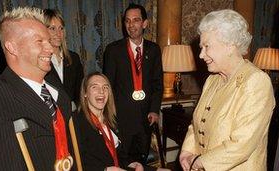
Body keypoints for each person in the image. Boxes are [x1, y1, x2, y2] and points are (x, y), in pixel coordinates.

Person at [0, 7, 75, 170]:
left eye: (48, 41)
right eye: (39, 41)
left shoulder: (59, 94)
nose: (50, 48)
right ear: (12, 47)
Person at [179, 9, 275, 171]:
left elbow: (242, 143)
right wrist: (187, 151)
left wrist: (201, 162)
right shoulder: (212, 80)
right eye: (201, 47)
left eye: (206, 46)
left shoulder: (256, 81)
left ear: (230, 46)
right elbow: (197, 123)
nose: (201, 55)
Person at [103, 3, 163, 164]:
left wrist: (154, 110)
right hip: (121, 120)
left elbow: (158, 83)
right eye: (127, 21)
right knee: (123, 162)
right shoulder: (113, 50)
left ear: (144, 23)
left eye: (136, 20)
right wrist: (109, 115)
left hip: (145, 119)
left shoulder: (154, 49)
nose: (131, 25)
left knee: (141, 162)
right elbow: (107, 86)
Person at [74, 72, 144, 171]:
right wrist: (105, 170)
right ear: (85, 93)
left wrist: (131, 163)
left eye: (105, 87)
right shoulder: (76, 122)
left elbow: (116, 155)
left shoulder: (113, 120)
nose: (101, 91)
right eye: (95, 87)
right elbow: (75, 163)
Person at [44, 9, 84, 112]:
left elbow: (81, 91)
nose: (58, 33)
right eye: (52, 28)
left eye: (61, 28)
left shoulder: (73, 58)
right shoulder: (40, 61)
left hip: (74, 117)